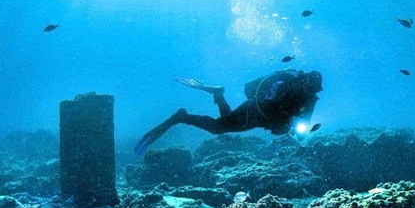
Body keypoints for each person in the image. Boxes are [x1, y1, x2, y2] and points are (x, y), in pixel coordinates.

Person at [134, 69, 323, 155]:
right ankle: (182, 116)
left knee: (224, 123)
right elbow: (303, 125)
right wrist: (298, 133)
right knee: (218, 128)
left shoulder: (293, 82)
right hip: (257, 114)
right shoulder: (308, 97)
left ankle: (218, 94)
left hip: (255, 110)